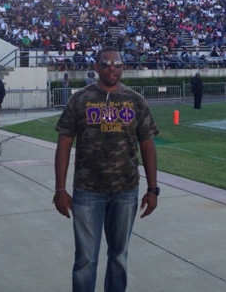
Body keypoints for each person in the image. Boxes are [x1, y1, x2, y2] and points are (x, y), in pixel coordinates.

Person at [53, 46, 159, 292]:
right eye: (106, 63)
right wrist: (60, 188)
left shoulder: (135, 101)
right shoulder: (80, 99)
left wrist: (153, 189)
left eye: (117, 64)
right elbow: (64, 143)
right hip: (88, 190)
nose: (112, 67)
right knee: (85, 260)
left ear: (123, 68)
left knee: (119, 258)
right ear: (96, 67)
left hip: (126, 190)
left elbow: (147, 145)